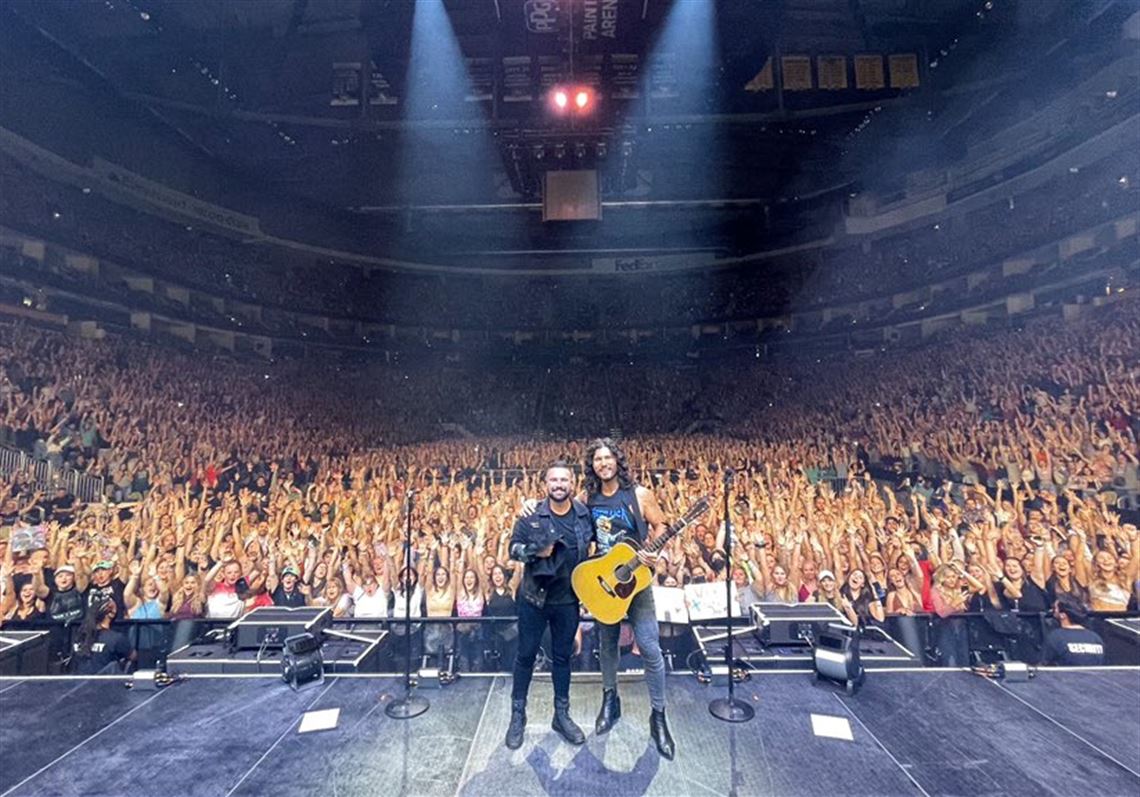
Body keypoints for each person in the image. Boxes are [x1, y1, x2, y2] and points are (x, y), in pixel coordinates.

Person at [583, 438, 675, 760]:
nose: (603, 463)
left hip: (637, 583)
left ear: (617, 461)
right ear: (592, 465)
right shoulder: (589, 498)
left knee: (650, 648)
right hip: (605, 585)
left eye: (608, 457)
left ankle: (659, 716)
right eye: (598, 459)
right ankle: (611, 700)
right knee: (607, 646)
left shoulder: (638, 494)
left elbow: (661, 523)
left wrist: (654, 551)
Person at [505, 462, 592, 750]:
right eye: (553, 479)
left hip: (568, 601)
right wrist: (533, 551)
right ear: (545, 484)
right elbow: (513, 548)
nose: (558, 484)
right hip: (534, 600)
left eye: (563, 479)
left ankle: (561, 715)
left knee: (563, 659)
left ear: (572, 483)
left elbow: (595, 548)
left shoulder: (583, 515)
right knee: (525, 656)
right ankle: (518, 715)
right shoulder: (531, 515)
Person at [1041, 598, 1105, 666]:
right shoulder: (1096, 638)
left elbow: (1043, 666)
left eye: (1055, 609)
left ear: (1063, 615)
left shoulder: (1056, 638)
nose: (1053, 612)